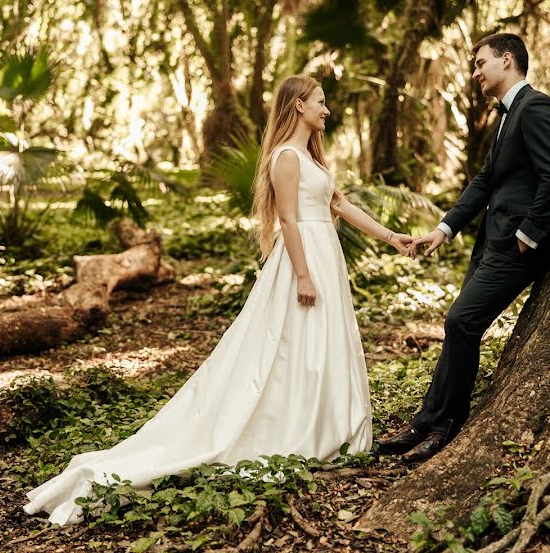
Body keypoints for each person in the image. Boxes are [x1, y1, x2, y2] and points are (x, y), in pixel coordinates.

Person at [24, 74, 415, 525]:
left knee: (321, 344)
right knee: (291, 348)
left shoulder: (311, 158)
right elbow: (288, 220)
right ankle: (296, 429)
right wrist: (304, 276)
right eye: (320, 102)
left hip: (326, 254)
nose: (326, 110)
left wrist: (391, 238)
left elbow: (340, 206)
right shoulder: (285, 158)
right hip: (303, 261)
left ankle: (325, 425)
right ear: (297, 107)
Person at [378, 33, 550, 463]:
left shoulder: (536, 107)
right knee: (457, 327)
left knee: (461, 321)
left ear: (508, 60)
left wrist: (527, 235)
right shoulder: (506, 116)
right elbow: (485, 181)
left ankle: (448, 425)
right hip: (493, 242)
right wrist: (443, 229)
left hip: (518, 247)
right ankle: (425, 421)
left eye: (481, 62)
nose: (476, 72)